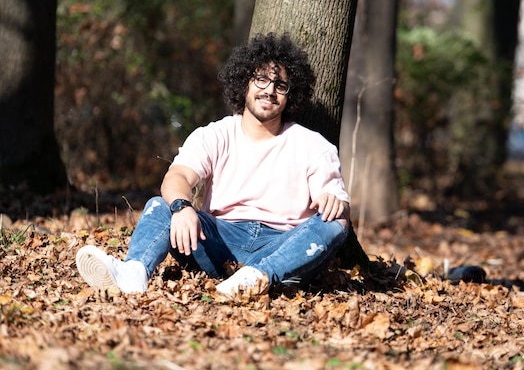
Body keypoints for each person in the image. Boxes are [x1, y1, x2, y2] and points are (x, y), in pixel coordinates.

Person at [76, 32, 350, 297]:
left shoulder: (313, 145)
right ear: (244, 82)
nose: (269, 91)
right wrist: (182, 207)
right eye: (261, 79)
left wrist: (332, 200)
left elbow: (335, 201)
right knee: (161, 206)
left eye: (280, 86)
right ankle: (133, 273)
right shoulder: (215, 134)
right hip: (219, 241)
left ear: (291, 95)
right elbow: (178, 175)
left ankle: (256, 277)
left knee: (335, 221)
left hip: (283, 248)